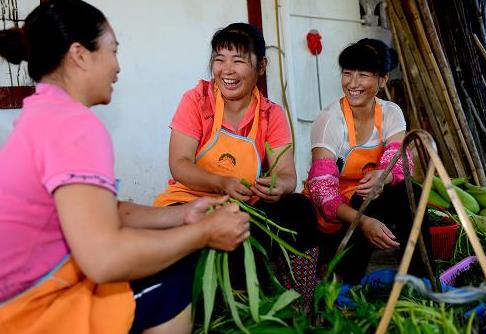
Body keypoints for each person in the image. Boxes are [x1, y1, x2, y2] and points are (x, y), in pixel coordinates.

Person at [0, 1, 250, 333]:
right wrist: (203, 233)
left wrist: (182, 215)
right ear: (80, 55)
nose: (117, 67)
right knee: (174, 278)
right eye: (113, 51)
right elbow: (104, 260)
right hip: (32, 311)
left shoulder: (41, 113)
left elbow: (99, 210)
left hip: (18, 299)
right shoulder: (73, 126)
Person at [153, 22, 318, 310]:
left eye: (238, 61)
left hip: (246, 210)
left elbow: (288, 174)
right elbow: (179, 164)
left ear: (261, 66)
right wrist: (221, 183)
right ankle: (216, 302)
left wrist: (277, 186)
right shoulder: (197, 101)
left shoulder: (271, 114)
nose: (226, 70)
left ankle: (299, 304)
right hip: (191, 206)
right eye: (219, 59)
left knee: (299, 209)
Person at [306, 38, 432, 284]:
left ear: (382, 80)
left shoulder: (390, 113)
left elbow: (400, 158)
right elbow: (322, 191)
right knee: (365, 200)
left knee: (412, 193)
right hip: (336, 219)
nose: (352, 84)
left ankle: (420, 279)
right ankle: (345, 281)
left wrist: (383, 176)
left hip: (370, 200)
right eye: (347, 73)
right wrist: (363, 221)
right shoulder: (330, 121)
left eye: (363, 75)